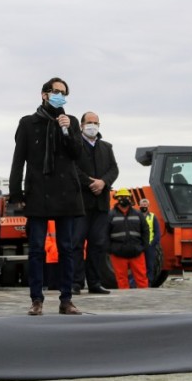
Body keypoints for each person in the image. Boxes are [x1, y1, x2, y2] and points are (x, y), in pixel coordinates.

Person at [9, 77, 85, 316]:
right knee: (36, 249)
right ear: (44, 94)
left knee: (67, 247)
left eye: (64, 93)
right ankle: (36, 299)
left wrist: (68, 131)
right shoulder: (28, 123)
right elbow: (18, 159)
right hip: (38, 191)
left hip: (66, 194)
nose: (60, 96)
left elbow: (77, 153)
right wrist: (16, 193)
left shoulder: (70, 121)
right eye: (56, 91)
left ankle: (66, 299)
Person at [72, 111, 118, 295]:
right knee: (76, 243)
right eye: (89, 122)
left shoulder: (106, 147)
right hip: (81, 203)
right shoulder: (75, 146)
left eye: (96, 122)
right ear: (81, 125)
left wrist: (103, 182)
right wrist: (90, 182)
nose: (93, 125)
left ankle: (94, 283)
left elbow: (114, 169)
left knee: (97, 244)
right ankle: (76, 283)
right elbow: (72, 168)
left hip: (101, 204)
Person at [107, 188, 150, 289]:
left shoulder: (138, 214)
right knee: (121, 279)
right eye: (121, 197)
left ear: (130, 198)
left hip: (137, 252)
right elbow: (105, 233)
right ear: (116, 199)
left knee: (142, 279)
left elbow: (145, 231)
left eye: (126, 197)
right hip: (118, 253)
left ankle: (145, 299)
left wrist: (143, 247)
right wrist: (110, 249)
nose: (124, 199)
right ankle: (124, 302)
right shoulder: (110, 215)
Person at [138, 198, 161, 285]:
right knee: (138, 265)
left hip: (149, 245)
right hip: (139, 245)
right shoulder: (136, 215)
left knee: (150, 265)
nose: (144, 206)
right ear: (139, 205)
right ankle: (138, 282)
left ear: (148, 206)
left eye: (145, 205)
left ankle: (149, 282)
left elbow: (157, 232)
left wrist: (152, 243)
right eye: (142, 205)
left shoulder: (152, 216)